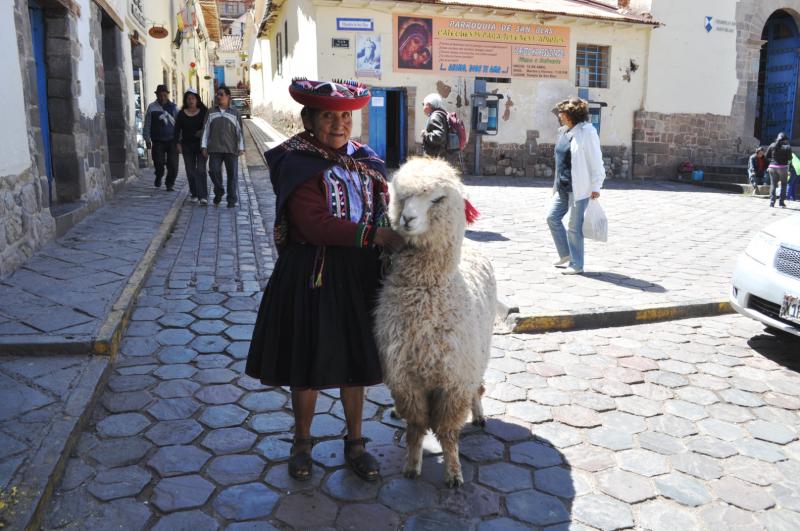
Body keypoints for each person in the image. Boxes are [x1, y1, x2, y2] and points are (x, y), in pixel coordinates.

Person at [246, 79, 405, 483]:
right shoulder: (296, 161)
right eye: (329, 116)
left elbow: (382, 209)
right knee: (308, 358)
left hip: (360, 276)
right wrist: (375, 236)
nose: (339, 124)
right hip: (312, 274)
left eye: (345, 116)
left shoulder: (367, 160)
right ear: (310, 119)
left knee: (357, 357)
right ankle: (302, 442)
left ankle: (355, 441)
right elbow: (313, 223)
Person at [546, 97, 605, 275]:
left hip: (579, 188)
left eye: (562, 113)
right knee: (552, 218)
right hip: (563, 187)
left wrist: (596, 186)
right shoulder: (565, 131)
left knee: (574, 227)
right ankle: (565, 254)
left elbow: (596, 161)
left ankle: (577, 264)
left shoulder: (587, 133)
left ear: (570, 115)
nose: (559, 116)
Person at [201, 86, 245, 208]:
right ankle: (219, 191)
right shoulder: (211, 112)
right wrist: (204, 146)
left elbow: (240, 131)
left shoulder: (235, 113)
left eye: (221, 94)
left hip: (231, 149)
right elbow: (206, 130)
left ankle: (231, 200)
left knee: (233, 175)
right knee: (213, 171)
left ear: (228, 96)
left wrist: (241, 147)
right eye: (217, 94)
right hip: (214, 148)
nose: (218, 96)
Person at [174, 88, 208, 204]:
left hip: (202, 146)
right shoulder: (181, 114)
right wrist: (177, 143)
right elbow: (176, 130)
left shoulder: (204, 112)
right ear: (185, 100)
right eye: (188, 98)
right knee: (190, 171)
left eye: (193, 98)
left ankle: (203, 196)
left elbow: (209, 127)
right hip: (187, 146)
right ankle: (194, 193)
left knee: (201, 170)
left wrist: (202, 132)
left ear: (197, 99)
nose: (191, 100)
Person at [143, 84, 179, 190]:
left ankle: (170, 184)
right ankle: (159, 176)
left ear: (167, 95)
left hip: (172, 140)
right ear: (157, 95)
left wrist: (180, 140)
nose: (162, 98)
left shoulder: (173, 107)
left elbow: (179, 124)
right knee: (159, 163)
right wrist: (147, 138)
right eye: (160, 95)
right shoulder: (152, 107)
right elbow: (147, 124)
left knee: (173, 165)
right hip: (157, 141)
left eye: (164, 95)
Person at [765, 132, 792, 208]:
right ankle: (781, 203)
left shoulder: (772, 145)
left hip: (772, 167)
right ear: (785, 140)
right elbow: (790, 158)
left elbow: (766, 156)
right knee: (783, 185)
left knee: (773, 184)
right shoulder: (787, 147)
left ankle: (772, 202)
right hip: (782, 168)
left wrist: (772, 160)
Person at [421, 93, 448, 157]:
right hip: (441, 153)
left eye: (423, 104)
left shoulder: (435, 116)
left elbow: (439, 137)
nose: (423, 107)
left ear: (428, 105)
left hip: (436, 155)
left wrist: (425, 134)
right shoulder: (441, 113)